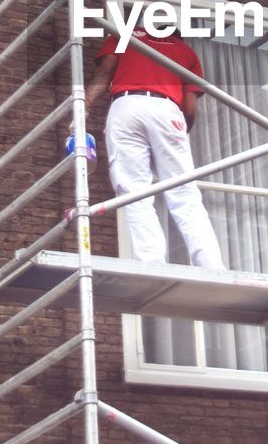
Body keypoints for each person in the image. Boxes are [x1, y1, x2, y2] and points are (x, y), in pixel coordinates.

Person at [83, 18, 225, 270]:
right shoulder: (184, 51)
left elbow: (103, 75)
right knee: (183, 192)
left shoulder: (123, 36)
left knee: (133, 189)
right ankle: (212, 265)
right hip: (167, 108)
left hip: (125, 106)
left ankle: (151, 262)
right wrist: (179, 132)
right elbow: (190, 108)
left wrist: (82, 106)